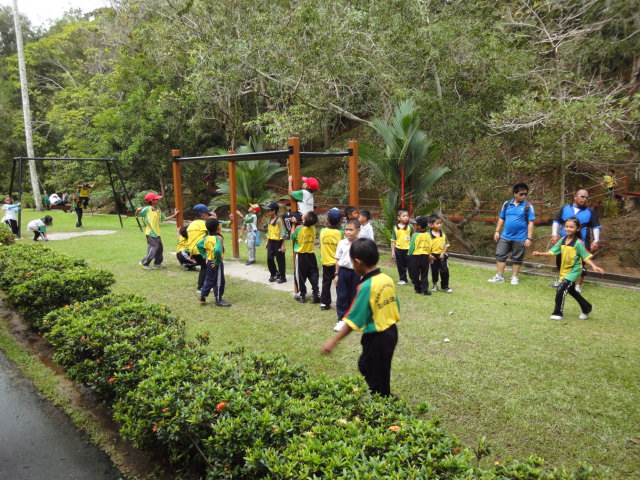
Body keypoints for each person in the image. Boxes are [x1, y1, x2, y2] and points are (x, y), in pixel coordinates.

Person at [321, 238, 400, 397]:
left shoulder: (366, 286)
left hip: (377, 337)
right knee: (378, 368)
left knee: (370, 369)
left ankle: (384, 402)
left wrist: (333, 341)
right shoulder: (387, 279)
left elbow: (353, 320)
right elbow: (395, 305)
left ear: (357, 262)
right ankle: (385, 395)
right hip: (392, 332)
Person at [534, 217, 604, 320]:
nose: (568, 229)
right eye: (566, 227)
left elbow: (585, 256)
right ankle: (586, 307)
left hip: (574, 271)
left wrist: (594, 266)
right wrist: (540, 253)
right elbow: (552, 251)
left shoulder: (578, 243)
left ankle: (558, 313)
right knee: (572, 291)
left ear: (577, 228)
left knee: (561, 289)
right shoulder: (562, 240)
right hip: (564, 271)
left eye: (571, 227)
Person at [550, 189, 601, 292]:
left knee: (580, 264)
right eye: (582, 196)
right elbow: (557, 221)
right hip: (565, 241)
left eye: (587, 197)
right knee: (561, 261)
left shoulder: (590, 212)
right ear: (575, 197)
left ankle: (577, 285)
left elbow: (595, 226)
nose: (585, 199)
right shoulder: (565, 209)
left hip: (582, 242)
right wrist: (554, 234)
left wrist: (596, 240)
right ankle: (561, 281)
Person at [488, 183, 535, 285]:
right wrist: (497, 231)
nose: (524, 196)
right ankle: (500, 276)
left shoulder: (528, 206)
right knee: (500, 255)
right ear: (514, 194)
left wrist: (529, 238)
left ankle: (514, 277)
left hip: (520, 237)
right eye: (521, 194)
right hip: (505, 236)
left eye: (525, 194)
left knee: (517, 258)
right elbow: (501, 218)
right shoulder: (507, 204)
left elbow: (531, 222)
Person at [135, 192, 178, 270]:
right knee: (155, 247)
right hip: (150, 232)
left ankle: (157, 264)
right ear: (152, 200)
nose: (158, 200)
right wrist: (137, 211)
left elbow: (164, 218)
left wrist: (175, 214)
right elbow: (137, 215)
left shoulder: (158, 209)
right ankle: (144, 263)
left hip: (157, 232)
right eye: (156, 199)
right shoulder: (147, 209)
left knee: (160, 248)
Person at [333, 218, 361, 331]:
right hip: (343, 272)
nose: (348, 232)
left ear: (358, 230)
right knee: (342, 295)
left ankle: (352, 318)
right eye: (346, 229)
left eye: (351, 229)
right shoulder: (342, 243)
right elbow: (337, 259)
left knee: (354, 295)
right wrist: (336, 274)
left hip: (356, 273)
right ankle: (341, 319)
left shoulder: (360, 244)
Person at [197, 218, 231, 307]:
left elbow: (199, 245)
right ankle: (219, 300)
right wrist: (216, 261)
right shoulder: (218, 238)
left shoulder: (207, 238)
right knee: (219, 281)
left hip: (209, 261)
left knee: (209, 279)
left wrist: (205, 256)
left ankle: (202, 295)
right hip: (216, 263)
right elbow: (217, 251)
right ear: (217, 227)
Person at [291, 211, 320, 303]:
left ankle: (301, 294)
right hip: (311, 255)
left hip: (301, 255)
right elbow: (306, 226)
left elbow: (292, 236)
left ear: (304, 220)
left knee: (300, 275)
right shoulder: (313, 228)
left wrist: (293, 225)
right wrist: (299, 223)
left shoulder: (299, 229)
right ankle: (316, 294)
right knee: (313, 274)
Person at [187, 204, 216, 291]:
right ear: (203, 215)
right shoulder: (204, 223)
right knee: (205, 267)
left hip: (192, 249)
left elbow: (193, 238)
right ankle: (201, 287)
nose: (208, 216)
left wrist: (192, 253)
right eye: (207, 214)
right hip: (200, 249)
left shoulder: (192, 224)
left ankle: (205, 285)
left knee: (204, 267)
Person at [319, 209, 343, 311]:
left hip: (326, 262)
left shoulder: (322, 232)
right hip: (337, 263)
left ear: (327, 219)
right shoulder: (340, 233)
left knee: (326, 282)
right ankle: (341, 303)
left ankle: (325, 303)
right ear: (340, 221)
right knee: (339, 283)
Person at [407, 216, 434, 295]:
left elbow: (412, 246)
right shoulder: (428, 234)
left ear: (418, 226)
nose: (414, 226)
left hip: (415, 257)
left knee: (415, 273)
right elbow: (430, 246)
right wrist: (429, 254)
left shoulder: (415, 235)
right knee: (424, 274)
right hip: (425, 256)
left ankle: (417, 288)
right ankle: (424, 290)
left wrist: (409, 254)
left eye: (415, 224)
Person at [429, 214, 453, 293]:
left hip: (442, 256)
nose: (440, 225)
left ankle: (445, 286)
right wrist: (429, 255)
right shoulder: (428, 235)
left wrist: (443, 253)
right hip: (432, 256)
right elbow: (426, 246)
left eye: (440, 223)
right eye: (437, 223)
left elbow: (447, 245)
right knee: (434, 271)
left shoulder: (443, 235)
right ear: (431, 225)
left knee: (445, 271)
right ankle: (435, 285)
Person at [264, 202, 286, 283]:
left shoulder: (279, 220)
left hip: (278, 242)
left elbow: (282, 233)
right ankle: (274, 273)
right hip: (271, 242)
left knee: (280, 260)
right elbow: (269, 232)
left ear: (274, 211)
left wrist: (283, 245)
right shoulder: (269, 220)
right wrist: (267, 242)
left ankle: (283, 277)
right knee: (269, 258)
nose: (268, 212)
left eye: (269, 210)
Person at [390, 209, 413, 286]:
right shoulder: (395, 227)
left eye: (407, 216)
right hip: (398, 250)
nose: (406, 217)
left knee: (411, 265)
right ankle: (403, 279)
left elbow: (413, 237)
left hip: (408, 249)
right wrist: (393, 251)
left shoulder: (410, 227)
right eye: (404, 216)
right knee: (400, 265)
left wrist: (413, 248)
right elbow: (393, 240)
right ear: (398, 218)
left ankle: (414, 279)